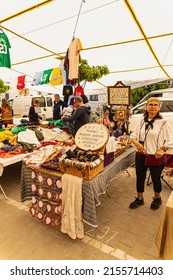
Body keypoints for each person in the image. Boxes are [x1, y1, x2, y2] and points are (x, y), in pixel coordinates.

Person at [129, 97, 173, 210]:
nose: (153, 107)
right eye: (150, 104)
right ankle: (139, 198)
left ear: (158, 107)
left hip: (156, 156)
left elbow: (171, 140)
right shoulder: (141, 121)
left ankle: (157, 198)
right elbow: (133, 136)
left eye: (155, 105)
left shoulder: (164, 123)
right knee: (140, 177)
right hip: (141, 155)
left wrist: (162, 149)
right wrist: (138, 145)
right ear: (146, 106)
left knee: (155, 178)